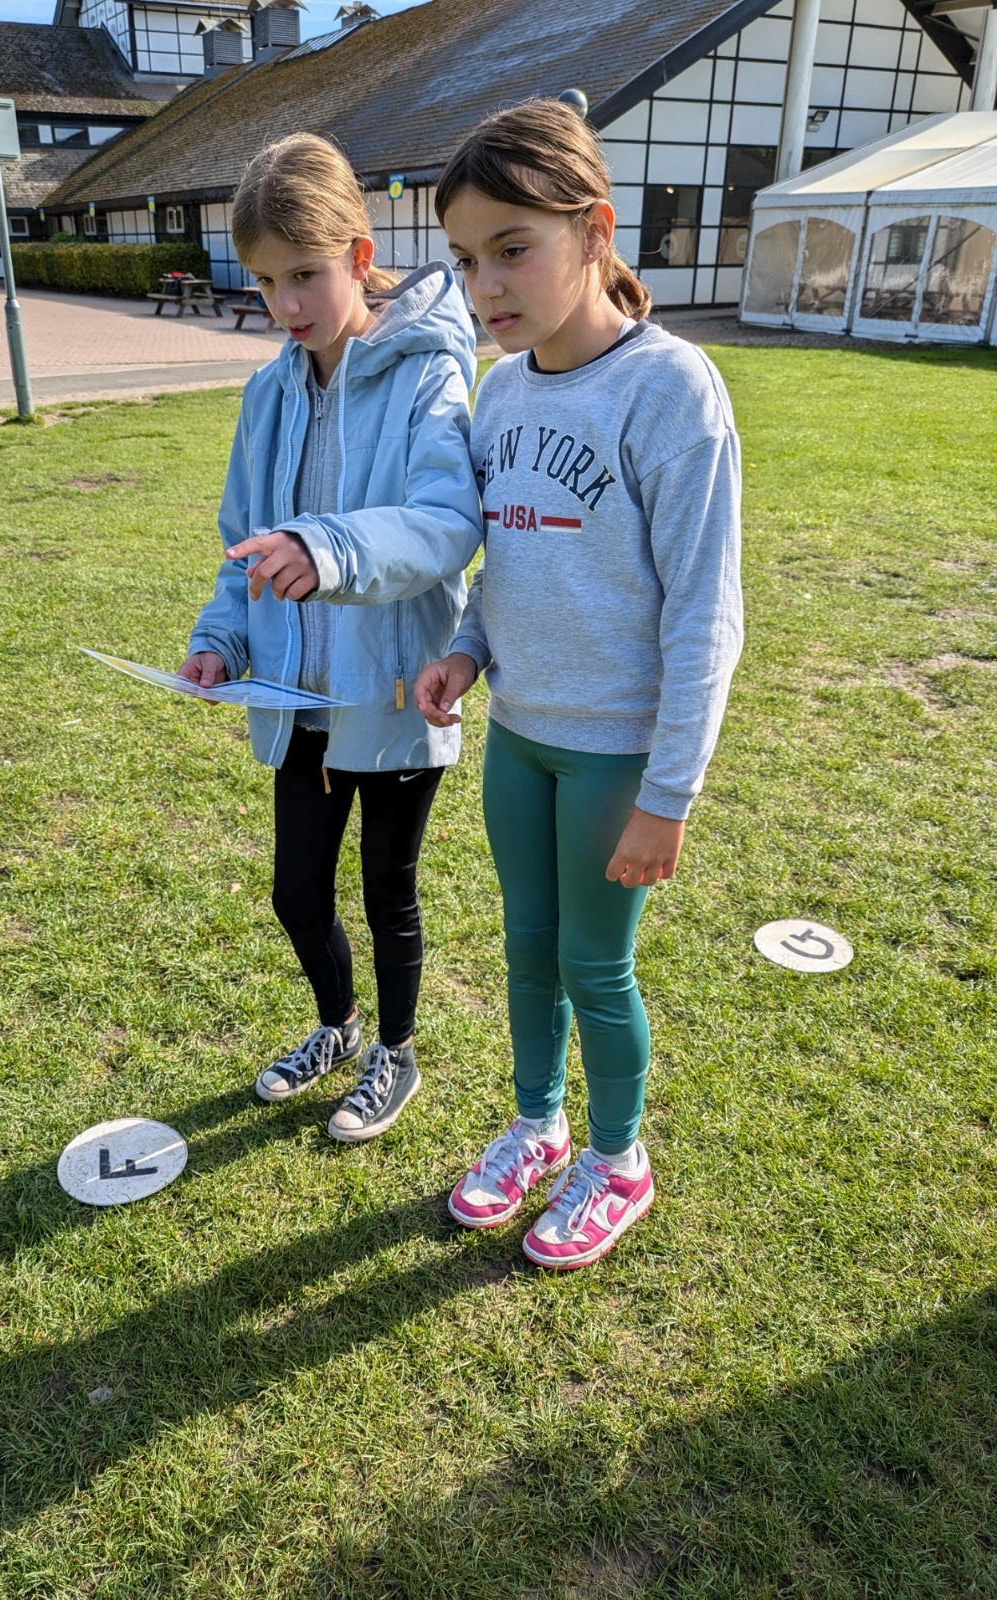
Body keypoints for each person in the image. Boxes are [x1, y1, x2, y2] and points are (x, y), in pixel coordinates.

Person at [414, 101, 743, 1269]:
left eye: (513, 247)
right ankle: (537, 1124)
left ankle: (618, 1157)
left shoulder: (670, 387)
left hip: (616, 754)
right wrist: (465, 651)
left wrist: (668, 794)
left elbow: (706, 611)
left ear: (595, 230)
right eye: (466, 258)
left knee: (594, 966)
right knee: (527, 947)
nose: (485, 285)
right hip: (521, 739)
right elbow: (503, 562)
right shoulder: (499, 393)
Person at [181, 134, 483, 1142]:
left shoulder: (427, 373)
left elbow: (445, 524)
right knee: (294, 893)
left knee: (387, 890)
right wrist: (222, 639)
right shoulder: (268, 392)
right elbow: (241, 542)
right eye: (267, 281)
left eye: (304, 274)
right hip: (294, 694)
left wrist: (329, 548)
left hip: (395, 688)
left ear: (359, 256)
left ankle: (395, 1052)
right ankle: (338, 1026)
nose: (287, 304)